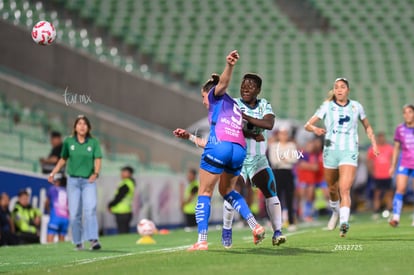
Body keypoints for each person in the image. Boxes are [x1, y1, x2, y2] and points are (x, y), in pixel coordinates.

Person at [173, 50, 265, 251]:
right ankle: (255, 225)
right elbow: (217, 142)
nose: (203, 101)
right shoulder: (233, 107)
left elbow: (222, 84)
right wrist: (189, 137)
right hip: (238, 149)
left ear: (209, 92)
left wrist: (230, 65)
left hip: (222, 147)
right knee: (227, 191)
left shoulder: (216, 97)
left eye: (203, 96)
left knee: (205, 192)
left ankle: (202, 240)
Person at [304, 78, 378, 237]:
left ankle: (344, 222)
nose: (339, 90)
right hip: (330, 151)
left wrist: (374, 143)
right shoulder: (327, 106)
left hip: (349, 151)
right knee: (332, 189)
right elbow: (307, 125)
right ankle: (336, 213)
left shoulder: (356, 106)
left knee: (344, 189)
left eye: (342, 87)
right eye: (336, 87)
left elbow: (367, 126)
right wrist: (315, 129)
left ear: (348, 90)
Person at [221, 73, 286, 248]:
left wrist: (246, 118)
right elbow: (229, 128)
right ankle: (227, 230)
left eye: (250, 85)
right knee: (231, 191)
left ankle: (278, 232)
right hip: (237, 158)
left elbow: (269, 124)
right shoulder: (233, 103)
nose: (245, 87)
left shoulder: (264, 104)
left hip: (258, 159)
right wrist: (250, 132)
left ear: (258, 90)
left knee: (271, 191)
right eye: (243, 84)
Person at [48, 115, 102, 250]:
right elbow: (62, 159)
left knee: (90, 209)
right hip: (73, 181)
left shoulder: (93, 142)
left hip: (88, 180)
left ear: (88, 127)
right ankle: (78, 242)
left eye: (84, 124)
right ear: (75, 127)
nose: (82, 126)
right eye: (79, 124)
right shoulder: (68, 142)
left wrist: (95, 173)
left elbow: (98, 159)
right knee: (74, 213)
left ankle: (93, 240)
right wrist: (53, 173)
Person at [268, 128, 298, 231]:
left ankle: (291, 221)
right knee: (277, 198)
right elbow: (273, 161)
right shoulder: (274, 146)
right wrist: (286, 159)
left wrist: (283, 159)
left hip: (288, 172)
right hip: (277, 172)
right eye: (282, 134)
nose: (283, 136)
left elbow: (294, 159)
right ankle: (276, 223)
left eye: (285, 134)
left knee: (289, 198)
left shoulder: (291, 145)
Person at [389, 104, 414, 227]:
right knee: (400, 188)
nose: (407, 115)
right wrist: (393, 165)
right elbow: (396, 148)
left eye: (410, 112)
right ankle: (396, 217)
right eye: (405, 112)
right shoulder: (400, 129)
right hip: (404, 163)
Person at [366, 132, 394, 219]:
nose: (381, 139)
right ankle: (376, 212)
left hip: (387, 175)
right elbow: (369, 161)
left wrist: (392, 169)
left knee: (389, 193)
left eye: (383, 137)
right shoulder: (373, 149)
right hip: (377, 176)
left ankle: (390, 210)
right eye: (380, 138)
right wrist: (371, 171)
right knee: (377, 194)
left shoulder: (390, 148)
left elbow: (393, 160)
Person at [296, 139, 319, 222]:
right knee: (302, 196)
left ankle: (307, 214)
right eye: (309, 145)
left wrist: (307, 166)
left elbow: (316, 168)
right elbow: (301, 164)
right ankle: (300, 214)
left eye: (312, 146)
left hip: (311, 179)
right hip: (302, 179)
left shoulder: (313, 155)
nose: (310, 147)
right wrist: (311, 166)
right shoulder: (302, 153)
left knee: (310, 197)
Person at [108, 166, 136, 234]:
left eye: (124, 172)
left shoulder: (126, 184)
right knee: (125, 232)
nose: (122, 174)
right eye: (122, 172)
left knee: (122, 232)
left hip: (122, 212)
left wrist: (110, 205)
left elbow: (119, 197)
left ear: (130, 174)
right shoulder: (130, 183)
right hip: (126, 211)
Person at [45, 174, 69, 242]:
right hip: (65, 218)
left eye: (55, 181)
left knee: (49, 242)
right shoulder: (68, 192)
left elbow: (46, 203)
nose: (54, 183)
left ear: (58, 182)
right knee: (61, 242)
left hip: (55, 217)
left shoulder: (52, 189)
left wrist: (49, 211)